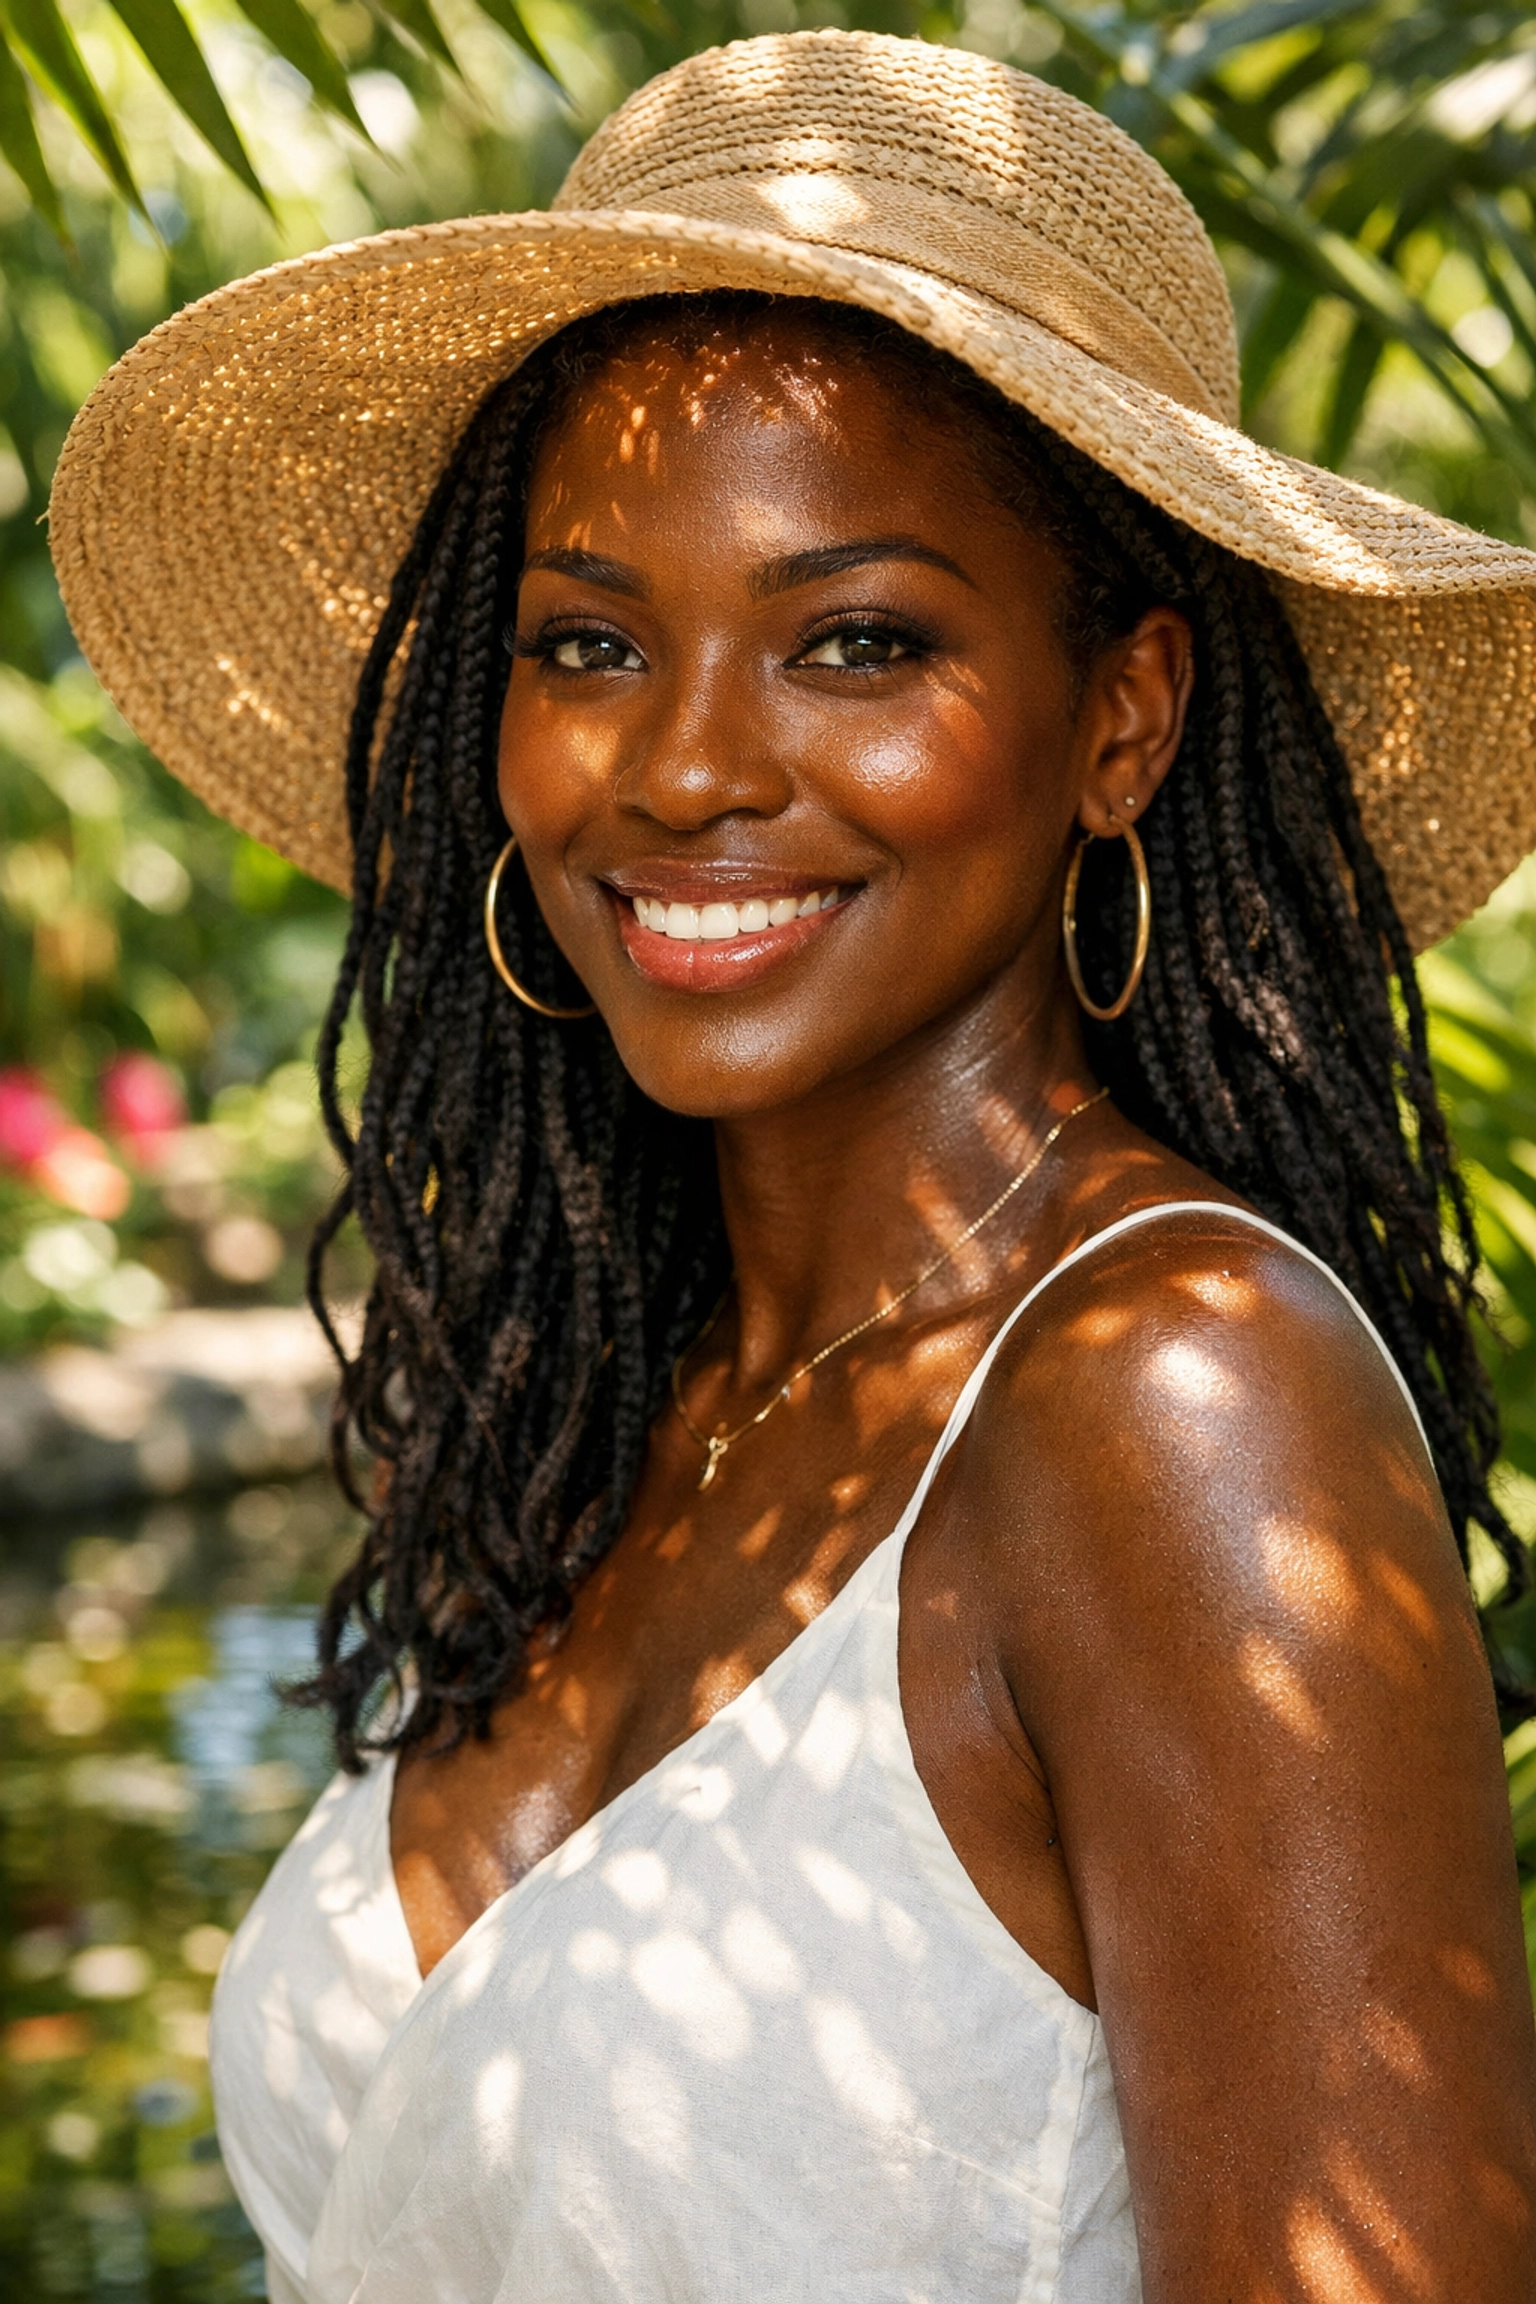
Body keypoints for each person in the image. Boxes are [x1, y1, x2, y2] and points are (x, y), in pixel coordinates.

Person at [51, 29, 1536, 2303]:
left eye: (855, 639)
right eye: (590, 645)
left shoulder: (1176, 1406)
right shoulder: (607, 1391)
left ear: (1121, 719)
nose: (683, 764)